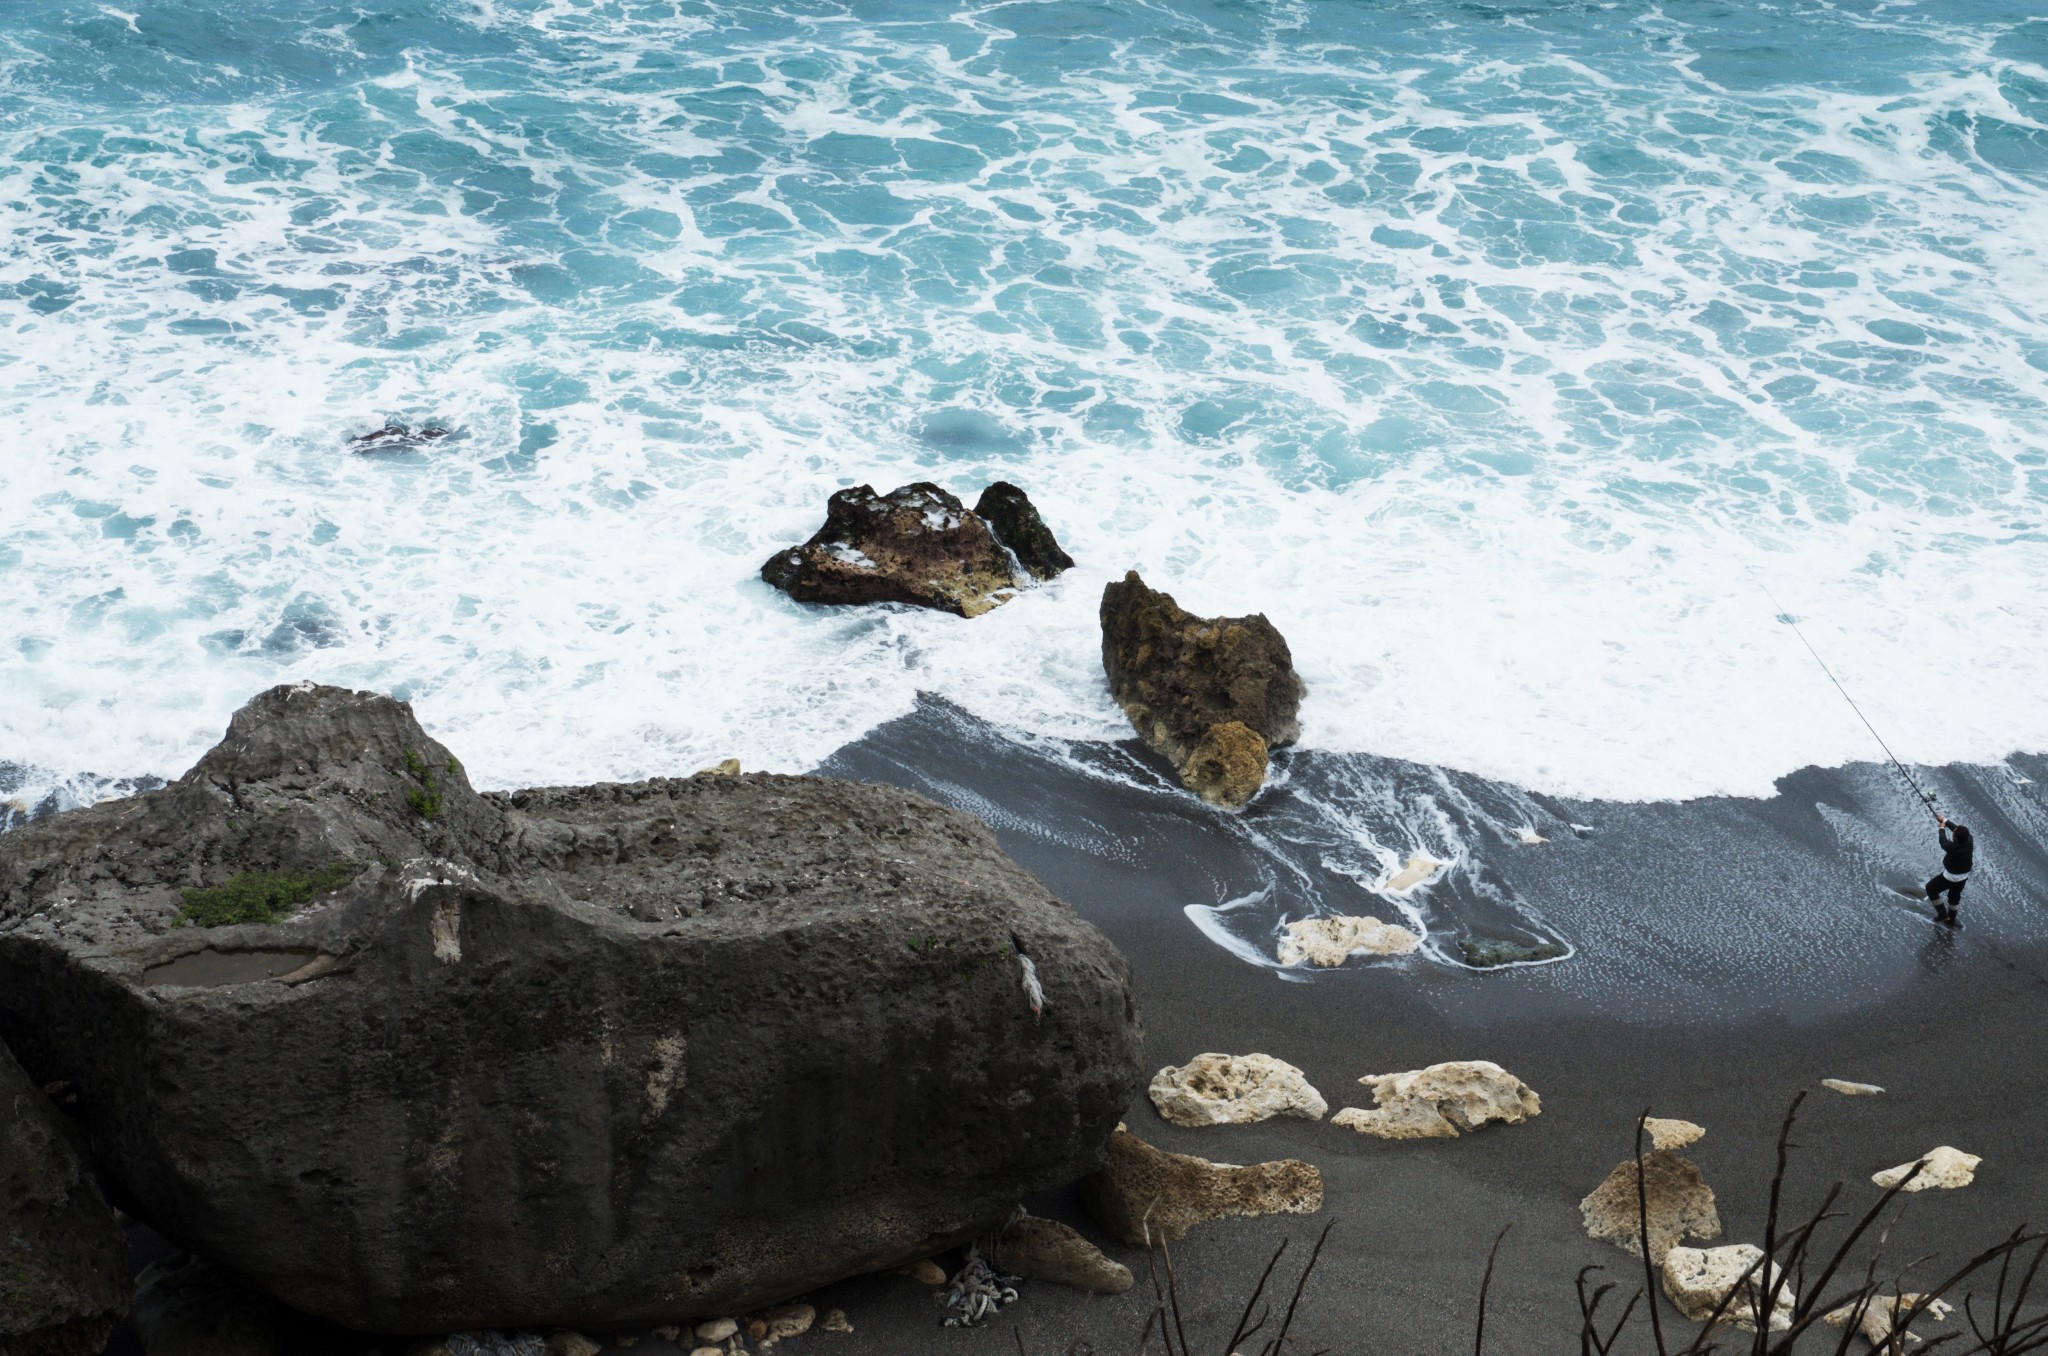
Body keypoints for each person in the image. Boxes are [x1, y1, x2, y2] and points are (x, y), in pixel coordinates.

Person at [1926, 812, 1974, 926]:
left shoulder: (1953, 847)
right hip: (1963, 877)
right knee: (1954, 897)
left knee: (1931, 889)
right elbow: (1957, 830)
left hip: (1950, 877)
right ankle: (1951, 919)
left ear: (1955, 837)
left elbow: (1943, 842)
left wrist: (1942, 828)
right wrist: (1945, 821)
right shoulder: (1969, 840)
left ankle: (1942, 913)